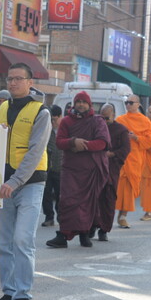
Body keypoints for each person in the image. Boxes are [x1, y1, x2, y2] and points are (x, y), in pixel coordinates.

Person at [0, 64, 51, 300]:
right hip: (0, 184)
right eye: (10, 78)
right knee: (3, 243)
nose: (13, 83)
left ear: (29, 82)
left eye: (18, 79)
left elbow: (36, 151)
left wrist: (14, 182)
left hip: (30, 183)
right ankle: (9, 292)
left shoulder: (41, 112)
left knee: (22, 240)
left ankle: (23, 295)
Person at [46, 92, 109, 249]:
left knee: (87, 204)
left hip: (90, 171)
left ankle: (84, 234)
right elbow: (59, 142)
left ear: (89, 104)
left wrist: (83, 145)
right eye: (78, 101)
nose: (81, 104)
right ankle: (63, 235)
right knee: (67, 201)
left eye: (84, 102)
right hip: (71, 170)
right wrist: (73, 142)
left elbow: (102, 143)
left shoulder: (97, 121)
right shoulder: (67, 121)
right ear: (74, 104)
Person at [115, 96, 151, 228]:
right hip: (120, 158)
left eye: (131, 103)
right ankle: (115, 213)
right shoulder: (120, 120)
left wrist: (136, 138)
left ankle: (123, 215)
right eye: (126, 102)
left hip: (135, 158)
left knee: (129, 187)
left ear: (138, 104)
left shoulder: (145, 121)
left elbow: (149, 141)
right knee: (117, 187)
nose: (128, 105)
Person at [93, 103, 130, 241]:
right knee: (93, 199)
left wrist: (112, 154)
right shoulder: (95, 127)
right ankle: (91, 226)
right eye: (102, 117)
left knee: (108, 199)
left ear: (114, 115)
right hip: (95, 168)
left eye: (107, 118)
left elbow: (126, 149)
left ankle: (104, 230)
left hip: (111, 168)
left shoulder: (121, 130)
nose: (104, 121)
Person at [40, 104, 63, 227]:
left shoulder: (65, 130)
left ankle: (61, 217)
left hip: (61, 169)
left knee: (60, 195)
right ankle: (49, 217)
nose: (53, 122)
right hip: (47, 168)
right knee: (46, 194)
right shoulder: (46, 129)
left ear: (60, 117)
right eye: (51, 120)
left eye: (55, 119)